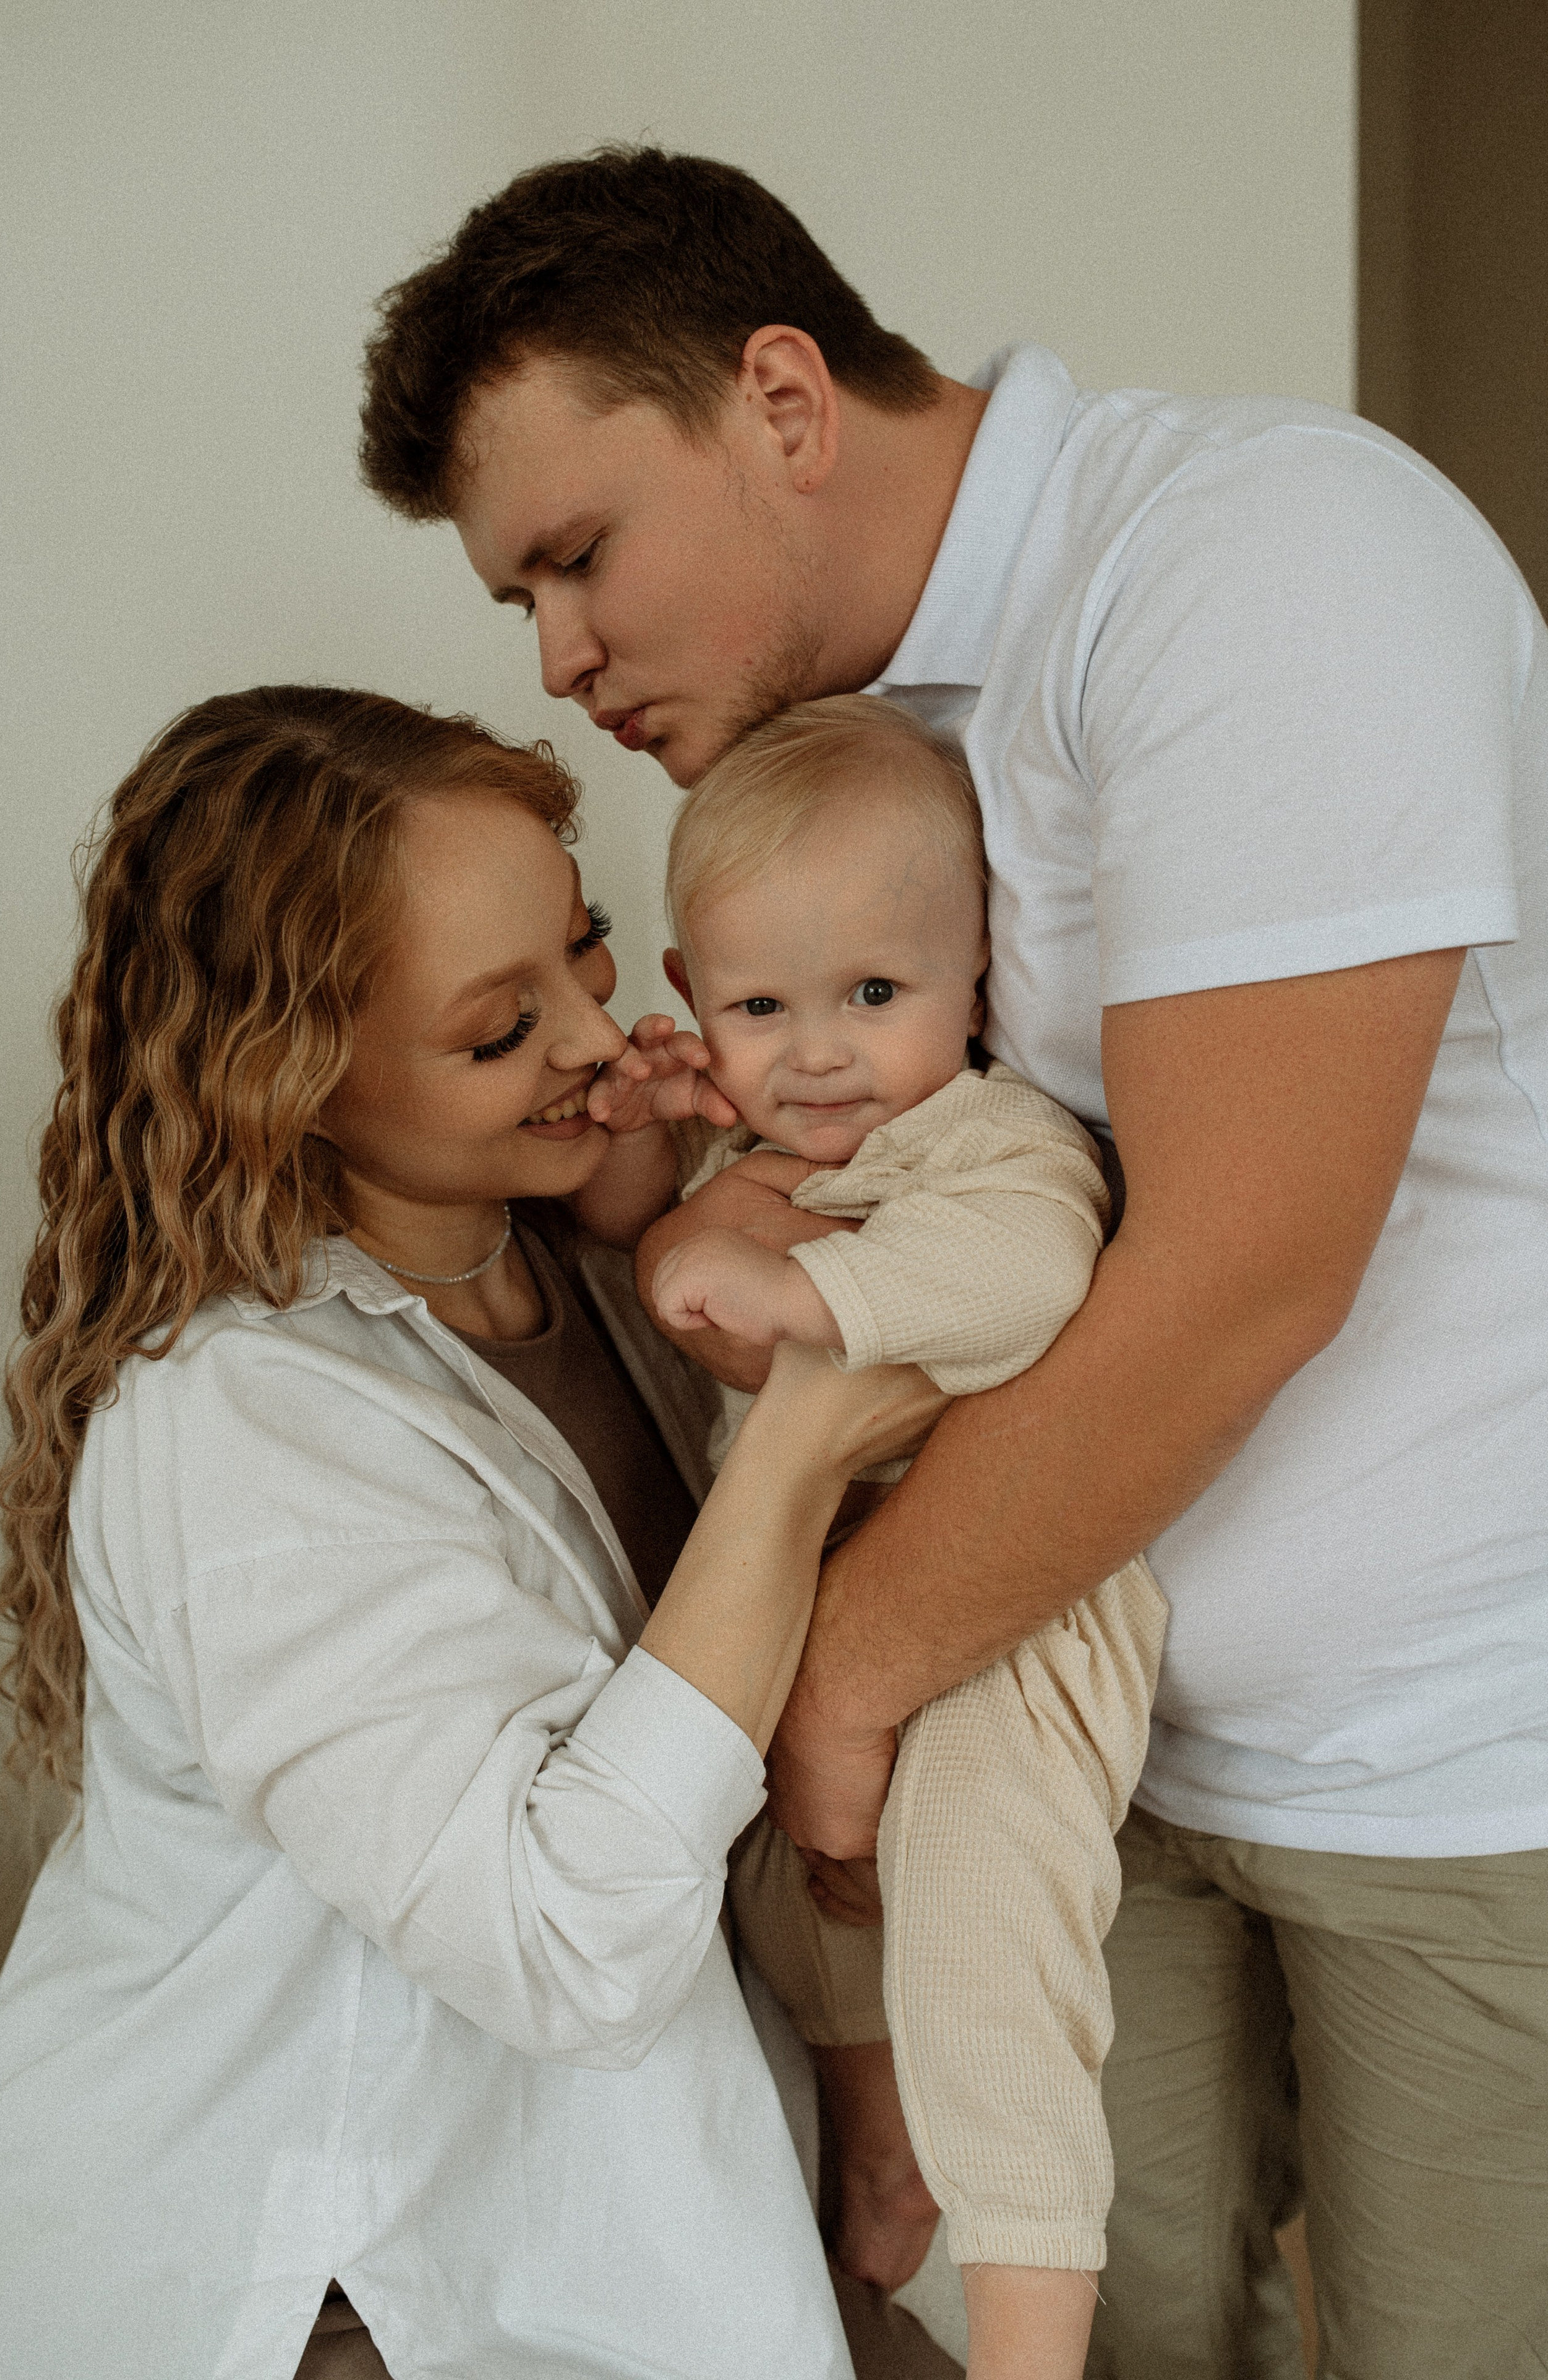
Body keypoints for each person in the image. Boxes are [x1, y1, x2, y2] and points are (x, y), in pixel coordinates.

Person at [357, 146, 1548, 2379]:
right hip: (1102, 1745)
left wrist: (845, 1680)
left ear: (783, 400)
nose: (558, 656)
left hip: (1463, 1773)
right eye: (521, 596)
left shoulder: (1254, 566)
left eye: (579, 555)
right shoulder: (870, 747)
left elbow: (1244, 1275)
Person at [0, 685, 951, 2380]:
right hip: (350, 2296)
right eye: (501, 1030)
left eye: (584, 950)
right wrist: (798, 1450)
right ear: (289, 1080)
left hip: (624, 2219)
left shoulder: (575, 1266)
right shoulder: (241, 1427)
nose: (593, 1038)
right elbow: (567, 1946)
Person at [577, 689, 1166, 2380]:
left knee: (982, 1945)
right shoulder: (750, 1139)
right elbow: (638, 1238)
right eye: (761, 1007)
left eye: (876, 997)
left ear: (977, 975)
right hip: (821, 1606)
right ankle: (883, 2151)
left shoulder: (991, 1135)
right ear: (693, 994)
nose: (820, 1054)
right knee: (789, 1899)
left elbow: (1030, 1272)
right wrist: (642, 1144)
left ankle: (1029, 2338)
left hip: (1009, 1622)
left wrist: (809, 1292)